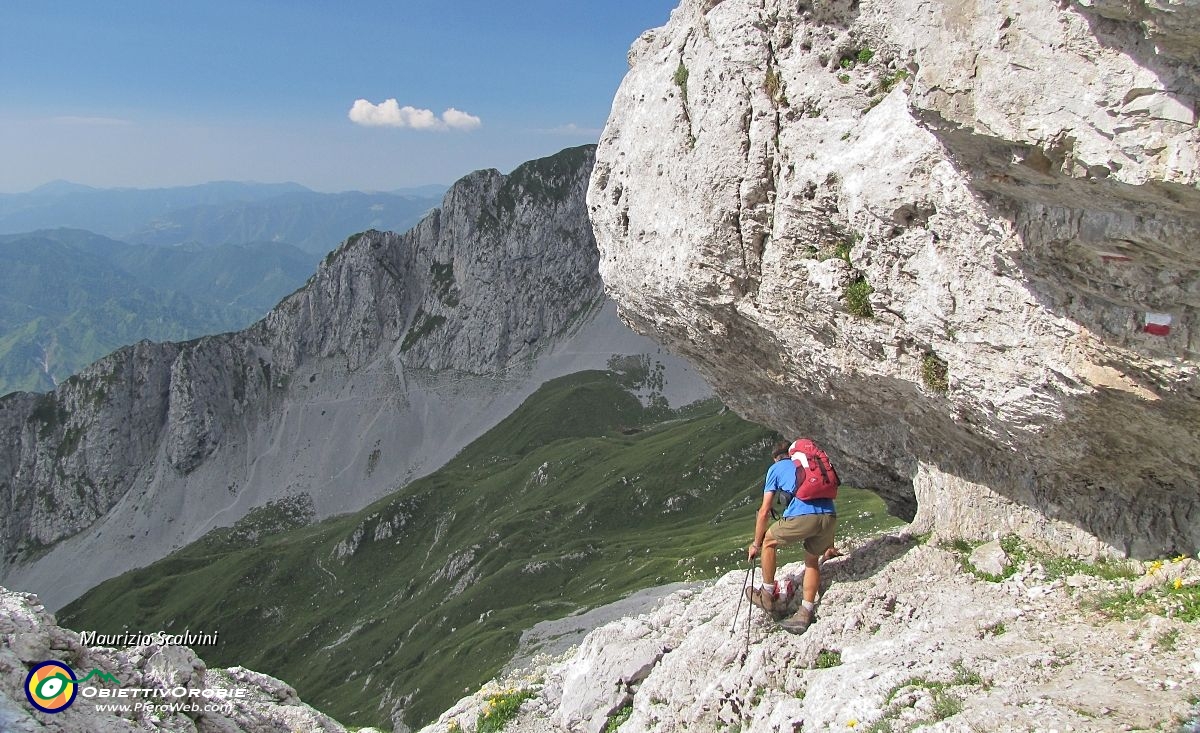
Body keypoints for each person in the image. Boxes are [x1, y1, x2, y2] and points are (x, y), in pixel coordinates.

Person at [746, 441, 837, 634]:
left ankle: (767, 594)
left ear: (775, 458)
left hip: (802, 517)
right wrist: (829, 546)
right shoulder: (810, 465)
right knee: (812, 560)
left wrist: (756, 544)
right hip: (829, 516)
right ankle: (805, 612)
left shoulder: (776, 468)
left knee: (769, 541)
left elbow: (764, 512)